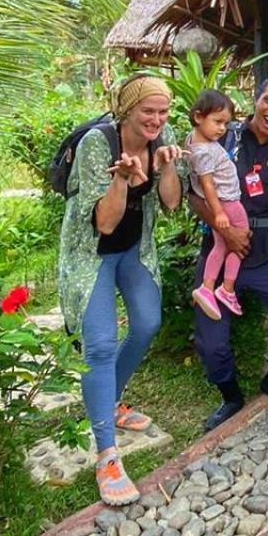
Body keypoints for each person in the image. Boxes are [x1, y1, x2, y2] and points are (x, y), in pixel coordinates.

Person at [58, 73, 182, 506]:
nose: (156, 119)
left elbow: (170, 203)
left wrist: (164, 167)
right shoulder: (98, 143)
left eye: (162, 111)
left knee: (148, 323)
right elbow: (104, 222)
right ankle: (107, 454)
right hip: (91, 255)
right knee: (100, 346)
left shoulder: (161, 137)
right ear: (127, 109)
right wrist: (122, 180)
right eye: (148, 111)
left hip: (134, 251)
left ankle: (109, 402)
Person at [191, 76, 268, 429]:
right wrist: (226, 231)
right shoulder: (223, 136)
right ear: (256, 99)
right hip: (219, 247)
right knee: (211, 342)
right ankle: (230, 397)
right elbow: (194, 195)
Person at [186, 89, 248, 321]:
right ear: (198, 116)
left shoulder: (195, 141)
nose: (222, 128)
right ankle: (227, 288)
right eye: (218, 122)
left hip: (223, 201)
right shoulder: (202, 151)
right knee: (239, 240)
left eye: (226, 123)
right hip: (227, 201)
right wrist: (219, 212)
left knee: (221, 245)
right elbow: (207, 184)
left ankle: (208, 286)